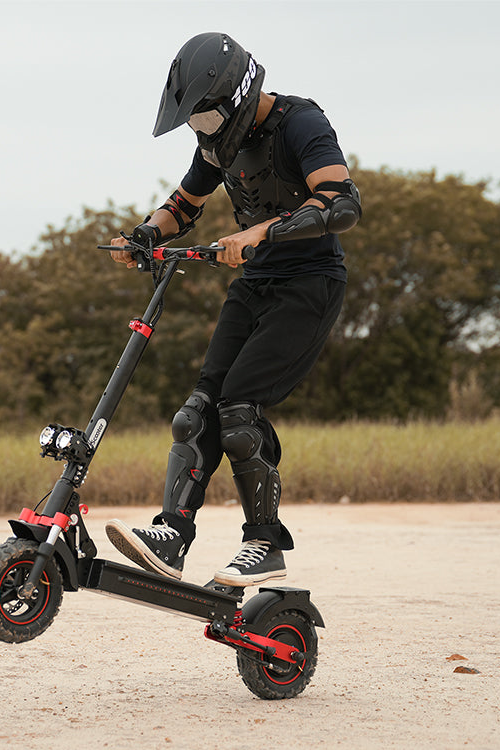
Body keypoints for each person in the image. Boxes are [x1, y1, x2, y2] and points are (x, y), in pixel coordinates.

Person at [103, 32, 361, 588]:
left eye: (204, 118)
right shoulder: (218, 142)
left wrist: (261, 231)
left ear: (236, 95)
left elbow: (341, 203)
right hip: (255, 284)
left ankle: (264, 544)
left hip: (309, 285)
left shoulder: (302, 124)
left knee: (239, 409)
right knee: (197, 413)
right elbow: (184, 203)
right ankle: (172, 536)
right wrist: (145, 234)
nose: (201, 131)